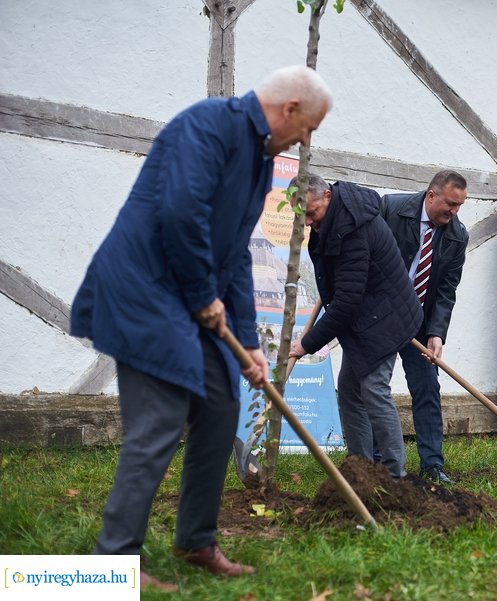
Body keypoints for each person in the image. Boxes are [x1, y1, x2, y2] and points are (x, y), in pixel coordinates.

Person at [69, 66, 332, 591]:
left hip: (191, 297)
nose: (307, 141)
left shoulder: (258, 162)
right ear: (290, 110)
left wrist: (249, 347)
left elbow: (233, 257)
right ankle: (111, 563)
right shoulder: (208, 126)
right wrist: (200, 296)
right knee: (161, 417)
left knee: (220, 406)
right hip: (145, 293)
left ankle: (196, 539)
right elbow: (181, 214)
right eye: (309, 129)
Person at [289, 174, 422, 479]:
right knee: (349, 389)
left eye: (312, 213)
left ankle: (394, 475)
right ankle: (360, 468)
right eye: (302, 216)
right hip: (365, 317)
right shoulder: (330, 221)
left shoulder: (353, 229)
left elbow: (347, 303)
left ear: (328, 196)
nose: (308, 222)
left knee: (374, 389)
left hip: (385, 319)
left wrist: (307, 343)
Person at [380, 170, 469, 484]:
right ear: (431, 195)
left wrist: (436, 332)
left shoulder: (458, 235)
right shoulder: (391, 209)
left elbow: (446, 289)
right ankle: (378, 462)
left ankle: (432, 464)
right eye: (450, 204)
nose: (454, 212)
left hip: (419, 322)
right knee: (376, 387)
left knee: (428, 388)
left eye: (459, 206)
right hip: (381, 316)